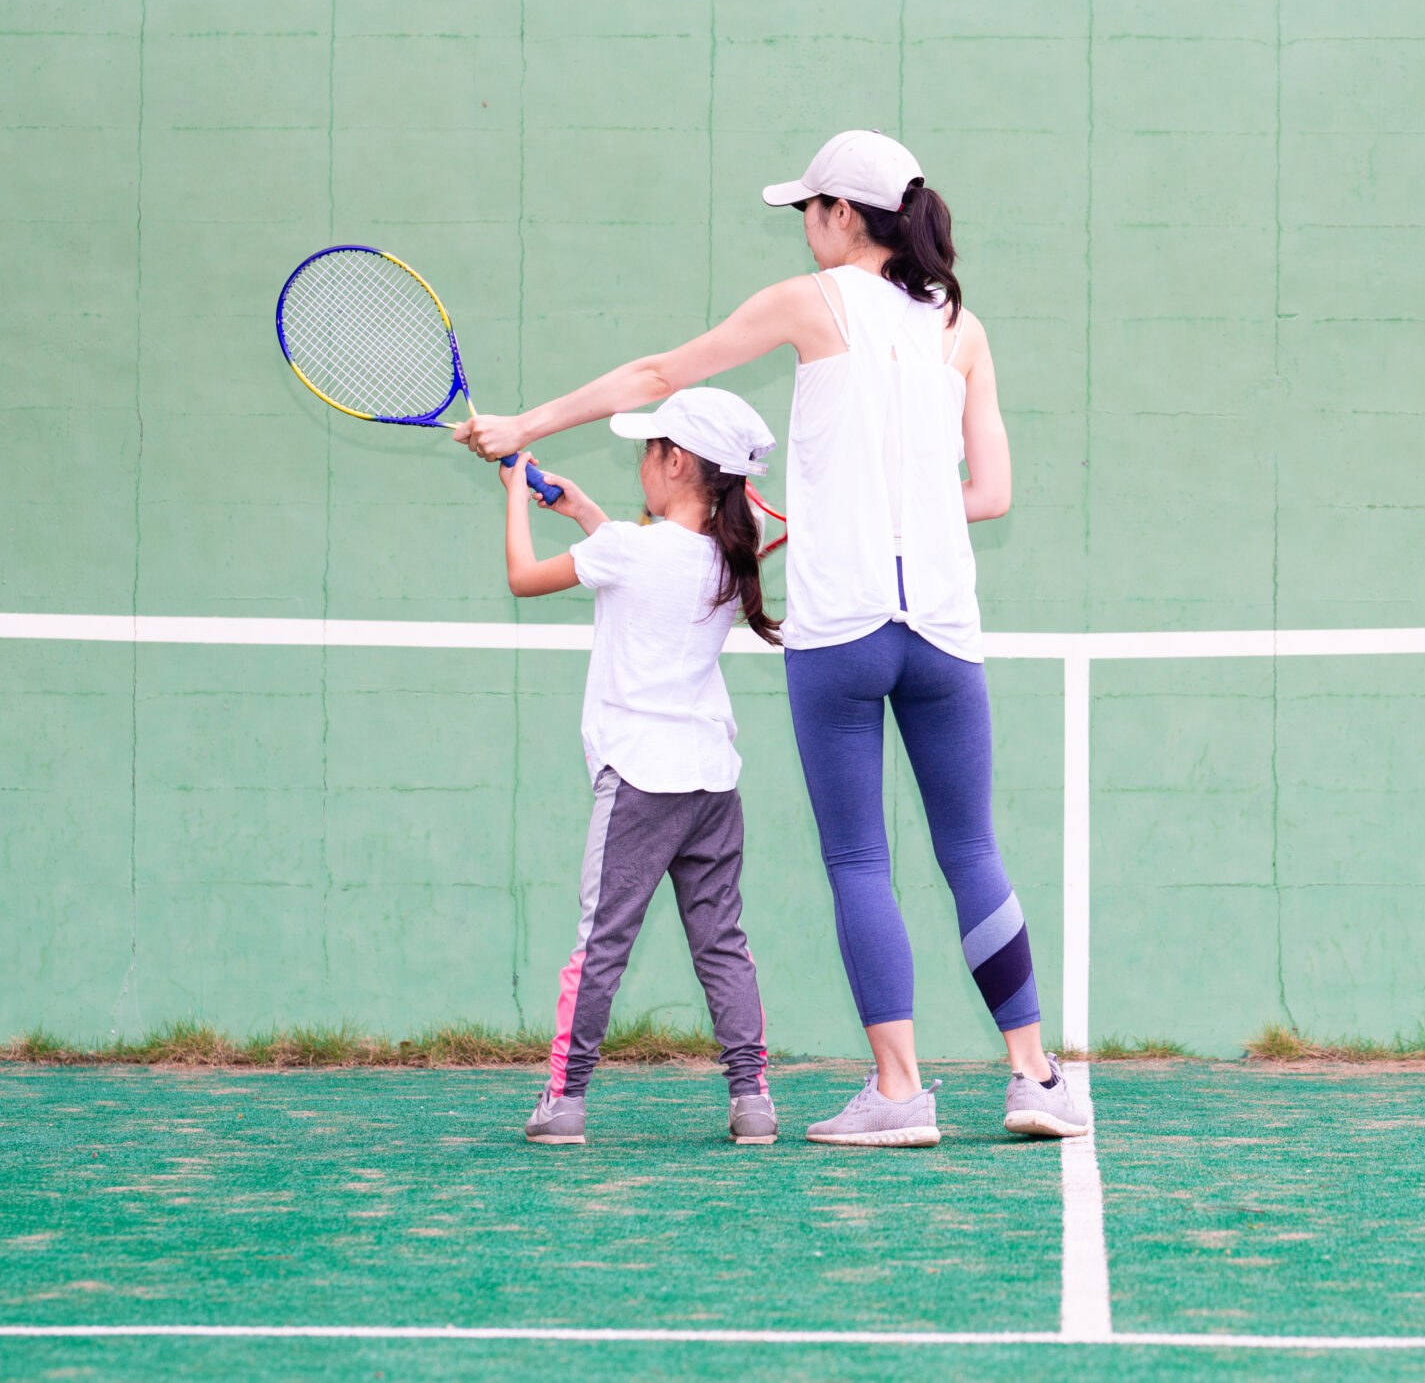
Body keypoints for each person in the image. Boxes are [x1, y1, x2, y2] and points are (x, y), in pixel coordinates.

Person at [457, 129, 1089, 1147]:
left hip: (840, 632)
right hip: (943, 627)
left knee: (858, 857)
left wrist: (526, 422)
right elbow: (992, 492)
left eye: (808, 208)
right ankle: (1032, 1074)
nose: (803, 226)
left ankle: (899, 1092)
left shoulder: (811, 301)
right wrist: (891, 520)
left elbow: (660, 370)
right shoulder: (961, 328)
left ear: (844, 214)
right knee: (969, 845)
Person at [498, 386, 783, 1148]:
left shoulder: (630, 549)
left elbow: (524, 577)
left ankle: (564, 1100)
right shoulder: (727, 557)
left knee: (601, 941)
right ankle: (752, 1099)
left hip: (640, 782)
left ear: (678, 462)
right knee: (721, 940)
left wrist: (515, 498)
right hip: (712, 785)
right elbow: (646, 563)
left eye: (649, 448)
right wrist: (585, 510)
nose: (641, 461)